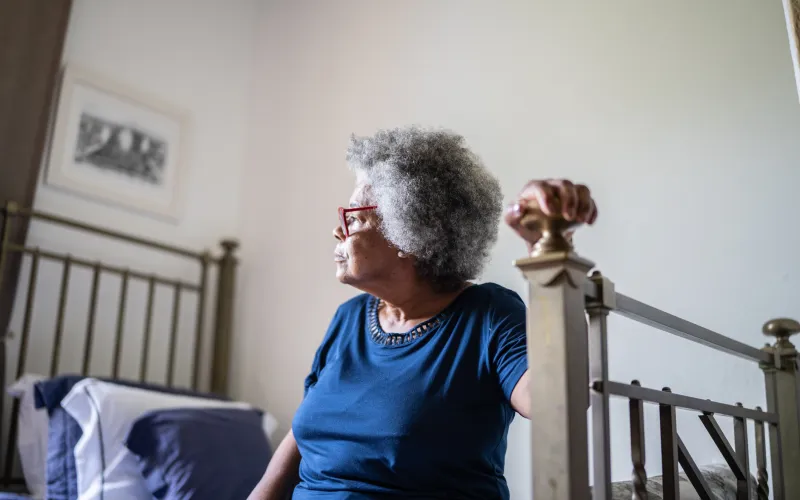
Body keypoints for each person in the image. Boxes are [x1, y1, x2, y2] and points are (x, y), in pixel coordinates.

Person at [248, 126, 597, 500]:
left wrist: (549, 251)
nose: (338, 231)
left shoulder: (488, 315)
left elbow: (556, 401)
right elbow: (301, 437)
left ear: (409, 231)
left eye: (355, 218)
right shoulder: (348, 319)